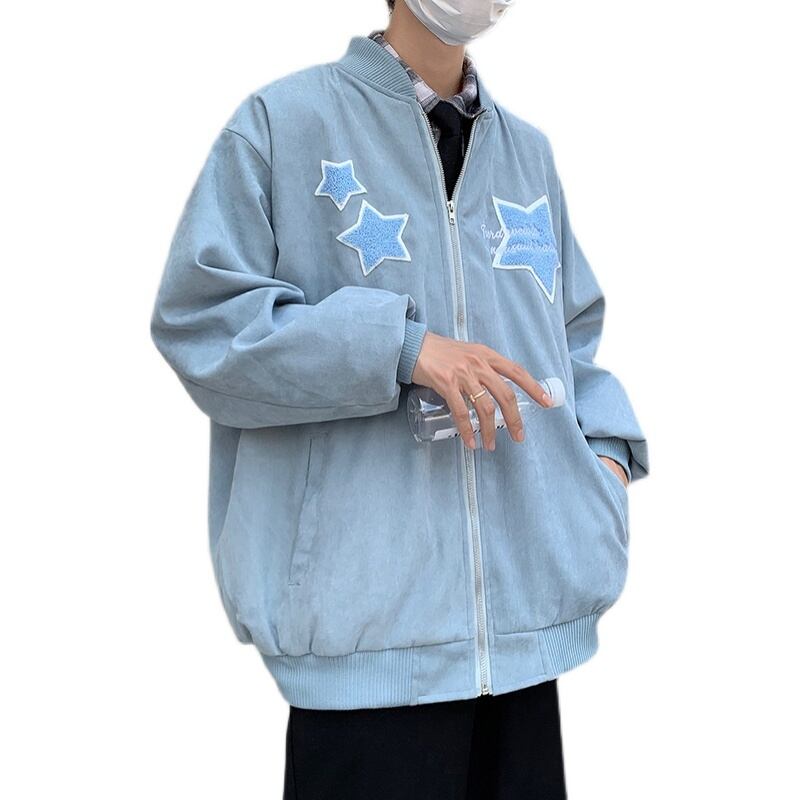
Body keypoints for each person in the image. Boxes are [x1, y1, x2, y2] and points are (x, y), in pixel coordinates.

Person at [150, 0, 650, 796]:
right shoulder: (283, 125)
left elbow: (572, 341)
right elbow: (203, 325)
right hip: (364, 659)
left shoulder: (526, 153)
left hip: (524, 643)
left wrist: (605, 467)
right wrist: (404, 349)